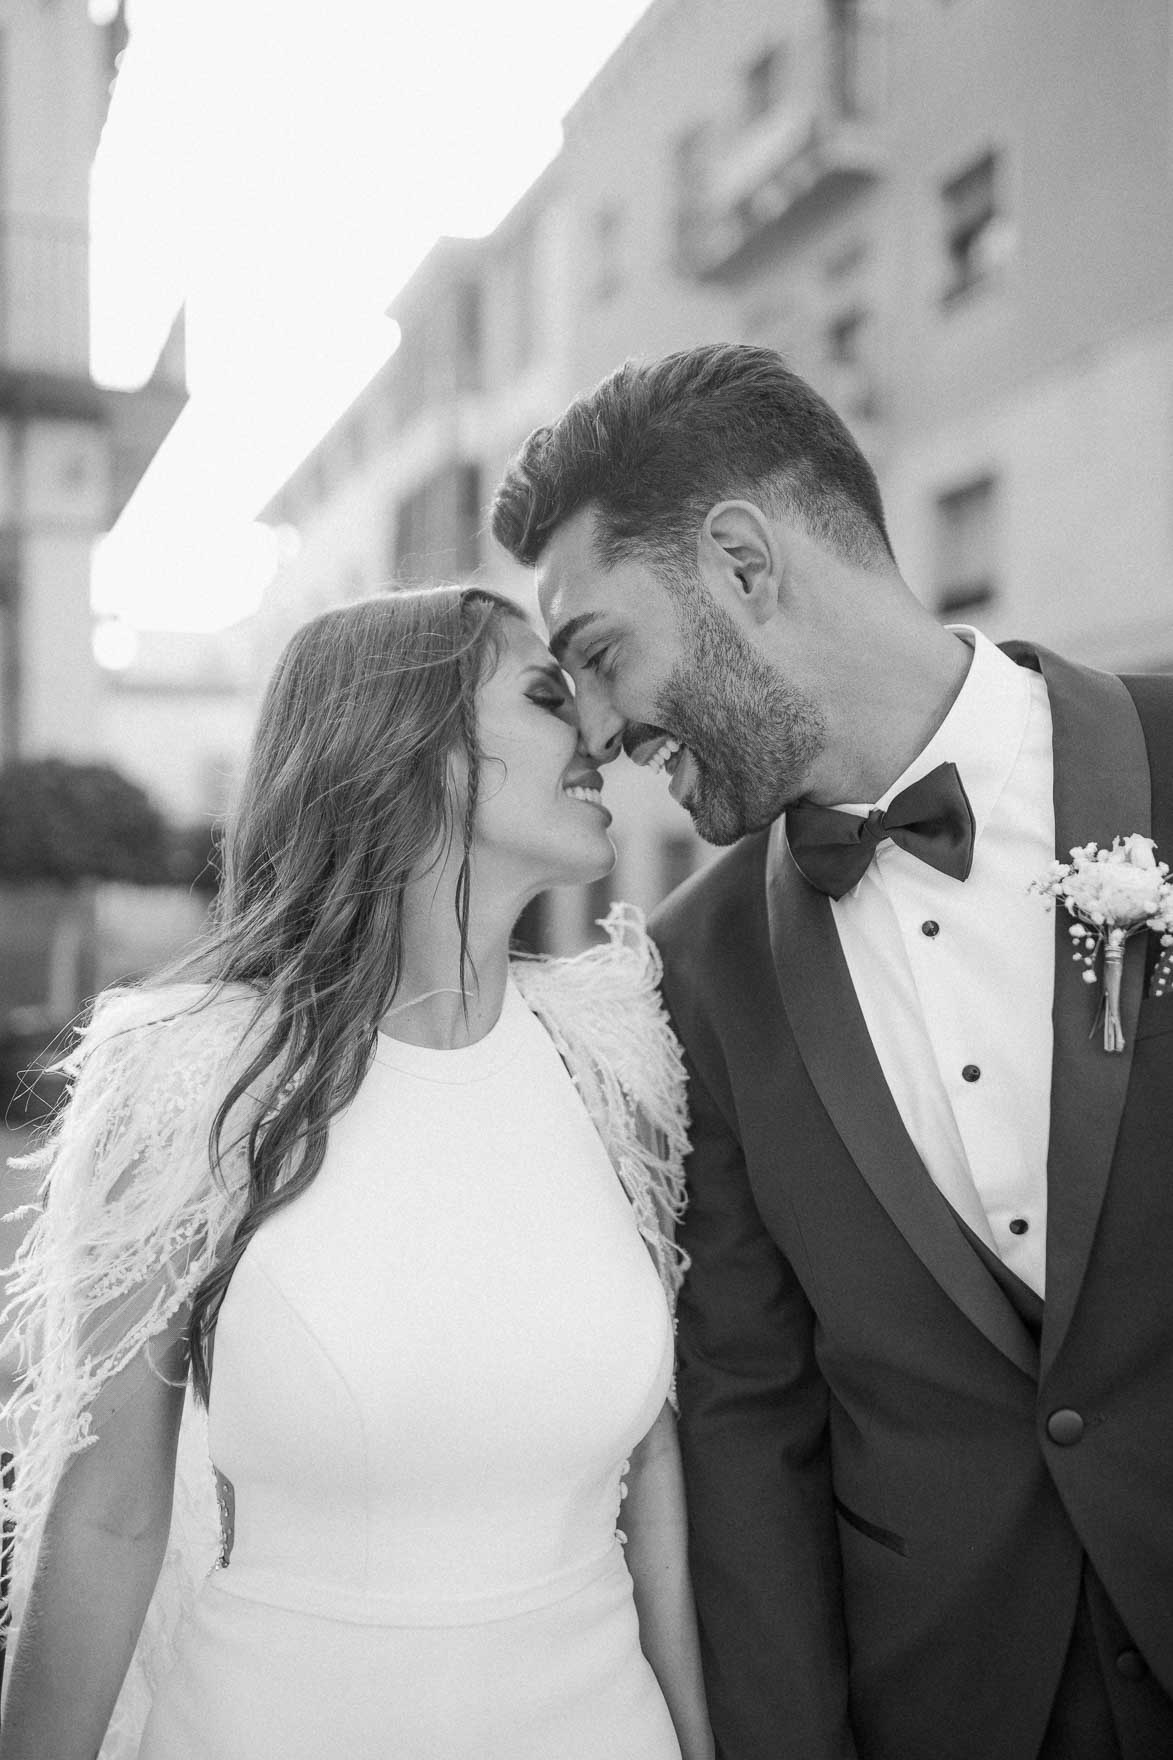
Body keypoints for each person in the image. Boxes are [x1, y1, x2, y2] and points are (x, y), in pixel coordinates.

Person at [491, 342, 1173, 1760]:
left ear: (743, 565)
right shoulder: (691, 965)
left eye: (601, 655)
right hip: (952, 1706)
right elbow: (749, 1417)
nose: (602, 736)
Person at [0, 586, 715, 1760]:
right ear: (408, 748)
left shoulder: (615, 1050)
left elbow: (656, 1467)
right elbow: (112, 1516)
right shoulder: (191, 1076)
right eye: (546, 694)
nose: (599, 727)